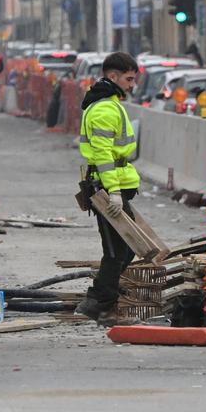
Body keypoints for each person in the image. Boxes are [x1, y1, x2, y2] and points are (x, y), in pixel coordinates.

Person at [75, 52, 141, 327]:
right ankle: (102, 306)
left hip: (113, 186)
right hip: (106, 188)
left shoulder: (110, 105)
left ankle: (98, 300)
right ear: (112, 76)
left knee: (125, 248)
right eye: (128, 78)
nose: (132, 85)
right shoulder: (104, 109)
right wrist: (112, 191)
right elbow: (103, 154)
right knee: (117, 249)